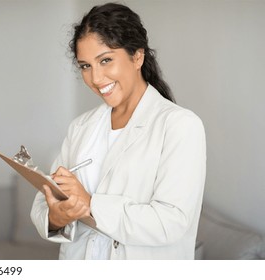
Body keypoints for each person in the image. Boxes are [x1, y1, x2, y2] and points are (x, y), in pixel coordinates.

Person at [30, 3, 206, 259]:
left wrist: (91, 205)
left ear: (137, 57)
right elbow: (42, 202)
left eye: (105, 60)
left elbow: (172, 222)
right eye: (85, 66)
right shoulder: (81, 127)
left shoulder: (179, 126)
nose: (96, 78)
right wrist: (56, 217)